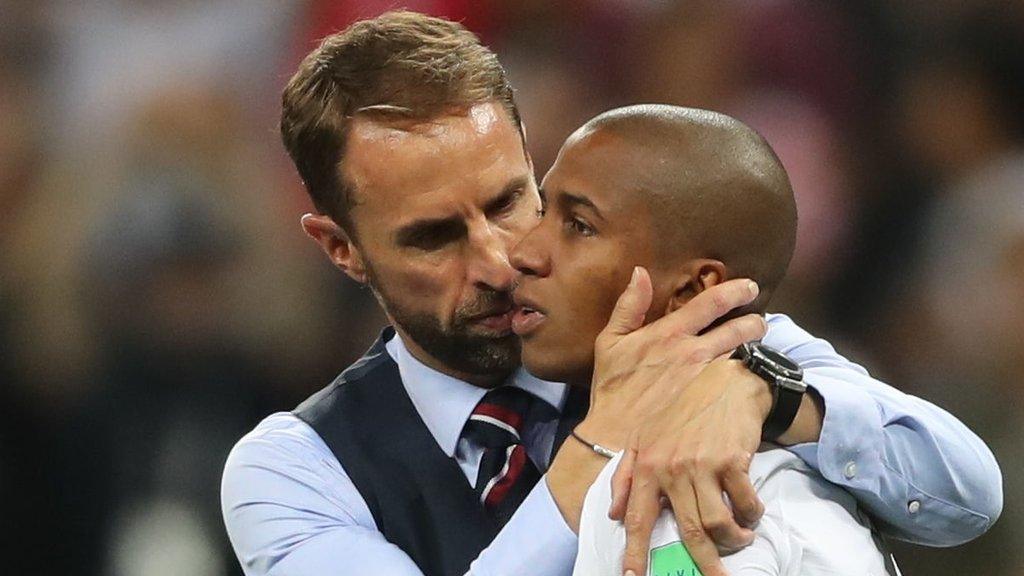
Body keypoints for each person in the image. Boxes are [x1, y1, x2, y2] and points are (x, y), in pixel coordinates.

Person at [220, 11, 1002, 576]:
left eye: (507, 203)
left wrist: (772, 396)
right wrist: (602, 441)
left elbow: (966, 493)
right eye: (435, 237)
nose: (500, 261)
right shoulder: (294, 469)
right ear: (340, 248)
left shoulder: (702, 338)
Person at [507, 104, 912, 574]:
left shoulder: (740, 501)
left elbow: (976, 488)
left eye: (580, 226)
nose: (524, 252)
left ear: (693, 291)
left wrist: (770, 395)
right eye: (542, 210)